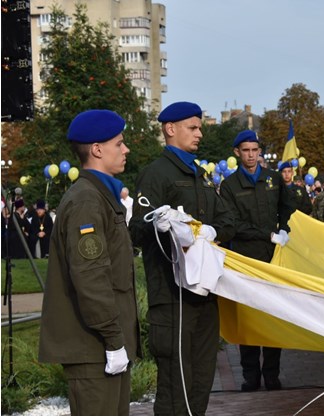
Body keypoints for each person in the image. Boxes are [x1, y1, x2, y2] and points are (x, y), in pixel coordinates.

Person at [129, 101, 235, 415]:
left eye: (200, 127)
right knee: (177, 386)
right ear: (170, 129)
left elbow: (228, 220)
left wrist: (212, 231)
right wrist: (161, 225)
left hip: (204, 294)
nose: (199, 133)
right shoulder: (155, 174)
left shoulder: (199, 175)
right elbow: (137, 229)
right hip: (172, 296)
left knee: (202, 381)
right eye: (193, 127)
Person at [38, 109, 140, 415]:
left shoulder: (99, 196)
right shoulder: (87, 200)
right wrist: (112, 339)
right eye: (119, 143)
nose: (126, 149)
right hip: (94, 349)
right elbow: (91, 278)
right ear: (97, 150)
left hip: (100, 348)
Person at [219, 129, 295, 392]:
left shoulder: (273, 179)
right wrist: (268, 233)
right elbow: (232, 224)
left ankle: (272, 374)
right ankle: (250, 376)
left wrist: (285, 228)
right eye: (246, 151)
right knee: (249, 318)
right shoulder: (229, 186)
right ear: (237, 153)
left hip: (275, 258)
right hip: (245, 259)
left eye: (255, 150)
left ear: (259, 151)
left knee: (274, 316)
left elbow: (288, 207)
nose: (251, 155)